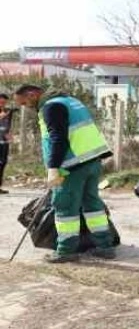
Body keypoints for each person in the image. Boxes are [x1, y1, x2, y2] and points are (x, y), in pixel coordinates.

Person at [14, 84, 116, 263]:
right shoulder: (71, 101)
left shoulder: (51, 107)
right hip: (92, 161)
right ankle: (105, 246)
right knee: (92, 204)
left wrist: (53, 167)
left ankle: (66, 250)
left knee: (65, 207)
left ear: (32, 94)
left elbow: (57, 138)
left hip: (71, 165)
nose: (26, 107)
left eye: (25, 103)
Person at [0, 94, 17, 194]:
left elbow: (8, 125)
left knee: (2, 163)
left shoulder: (8, 111)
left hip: (4, 142)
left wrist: (9, 133)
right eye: (0, 102)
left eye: (4, 102)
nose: (2, 104)